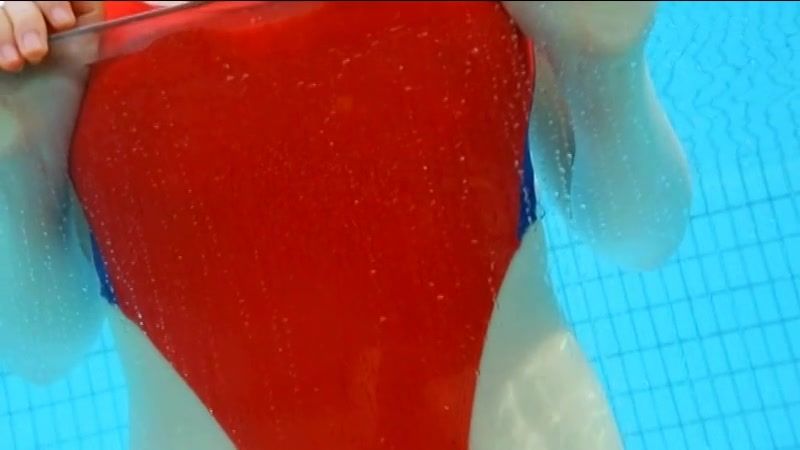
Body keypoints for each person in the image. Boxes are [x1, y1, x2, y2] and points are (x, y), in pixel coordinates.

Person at [0, 1, 691, 449]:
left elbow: (640, 232)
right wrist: (16, 160)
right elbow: (44, 348)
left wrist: (607, 58)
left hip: (525, 423)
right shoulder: (56, 11)